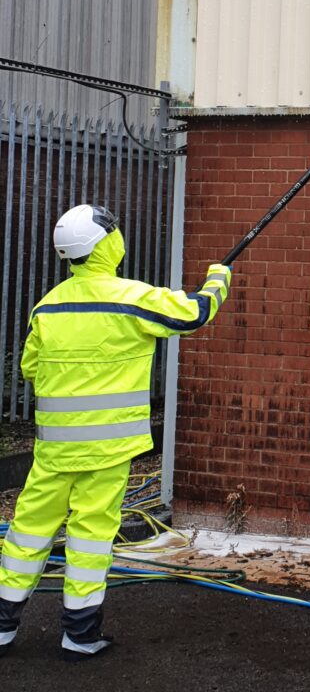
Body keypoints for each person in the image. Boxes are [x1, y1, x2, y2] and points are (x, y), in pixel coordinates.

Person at [0, 204, 231, 660]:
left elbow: (29, 367)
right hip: (106, 450)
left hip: (53, 449)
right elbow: (194, 314)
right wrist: (219, 278)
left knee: (27, 530)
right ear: (108, 244)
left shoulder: (48, 306)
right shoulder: (132, 298)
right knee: (90, 534)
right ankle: (80, 634)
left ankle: (3, 628)